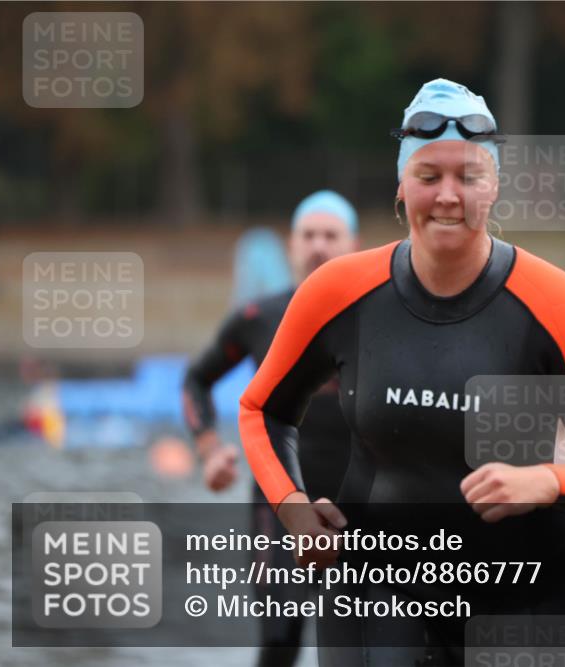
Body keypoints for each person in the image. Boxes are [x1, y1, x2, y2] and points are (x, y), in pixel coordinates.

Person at [238, 78, 565, 666]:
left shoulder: (555, 301)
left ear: (496, 188)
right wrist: (291, 505)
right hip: (373, 591)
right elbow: (262, 410)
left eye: (470, 176)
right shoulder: (339, 290)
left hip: (520, 598)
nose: (449, 196)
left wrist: (547, 483)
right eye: (429, 176)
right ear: (401, 186)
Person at [182, 190, 359, 667]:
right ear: (291, 246)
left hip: (361, 503)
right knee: (280, 642)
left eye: (331, 235)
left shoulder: (376, 317)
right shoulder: (258, 318)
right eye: (309, 235)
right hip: (279, 506)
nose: (319, 245)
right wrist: (209, 450)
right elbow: (197, 380)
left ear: (353, 244)